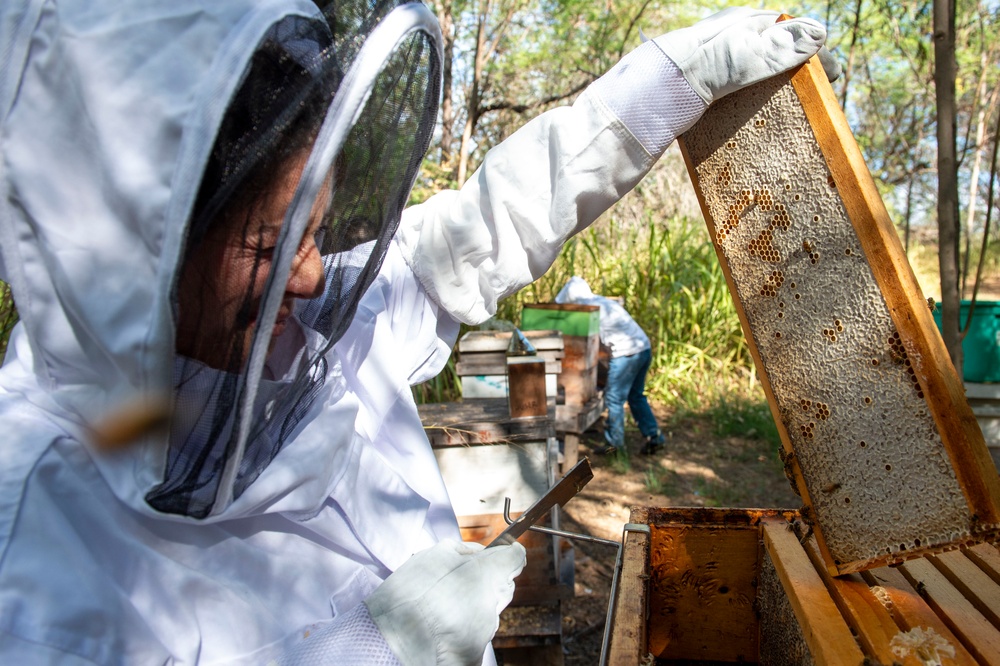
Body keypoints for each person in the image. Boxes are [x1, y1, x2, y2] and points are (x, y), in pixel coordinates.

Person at [0, 0, 835, 663]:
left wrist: (668, 81)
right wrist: (363, 651)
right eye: (267, 244)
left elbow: (479, 227)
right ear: (126, 251)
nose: (314, 276)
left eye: (316, 231)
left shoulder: (323, 333)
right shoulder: (32, 541)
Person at [556, 277, 664, 456]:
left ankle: (615, 448)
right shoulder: (603, 301)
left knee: (614, 399)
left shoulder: (586, 309)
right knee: (636, 396)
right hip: (644, 348)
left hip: (626, 355)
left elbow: (585, 343)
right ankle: (654, 436)